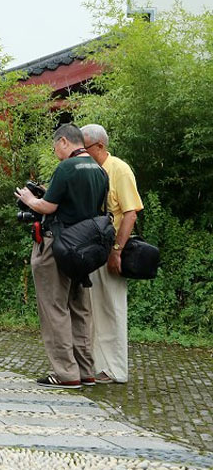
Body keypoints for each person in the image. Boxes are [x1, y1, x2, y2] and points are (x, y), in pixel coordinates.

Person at [15, 123, 109, 389]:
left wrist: (29, 199)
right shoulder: (99, 170)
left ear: (64, 141)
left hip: (57, 245)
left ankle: (66, 373)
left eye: (55, 146)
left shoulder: (67, 168)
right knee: (80, 309)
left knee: (54, 308)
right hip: (85, 248)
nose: (55, 151)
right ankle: (86, 370)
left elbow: (47, 206)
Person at [81, 124, 143, 384]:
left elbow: (130, 213)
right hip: (91, 250)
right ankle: (96, 365)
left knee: (112, 308)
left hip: (111, 248)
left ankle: (115, 369)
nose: (81, 153)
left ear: (100, 146)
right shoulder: (89, 170)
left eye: (84, 148)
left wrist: (117, 250)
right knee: (92, 309)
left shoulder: (119, 169)